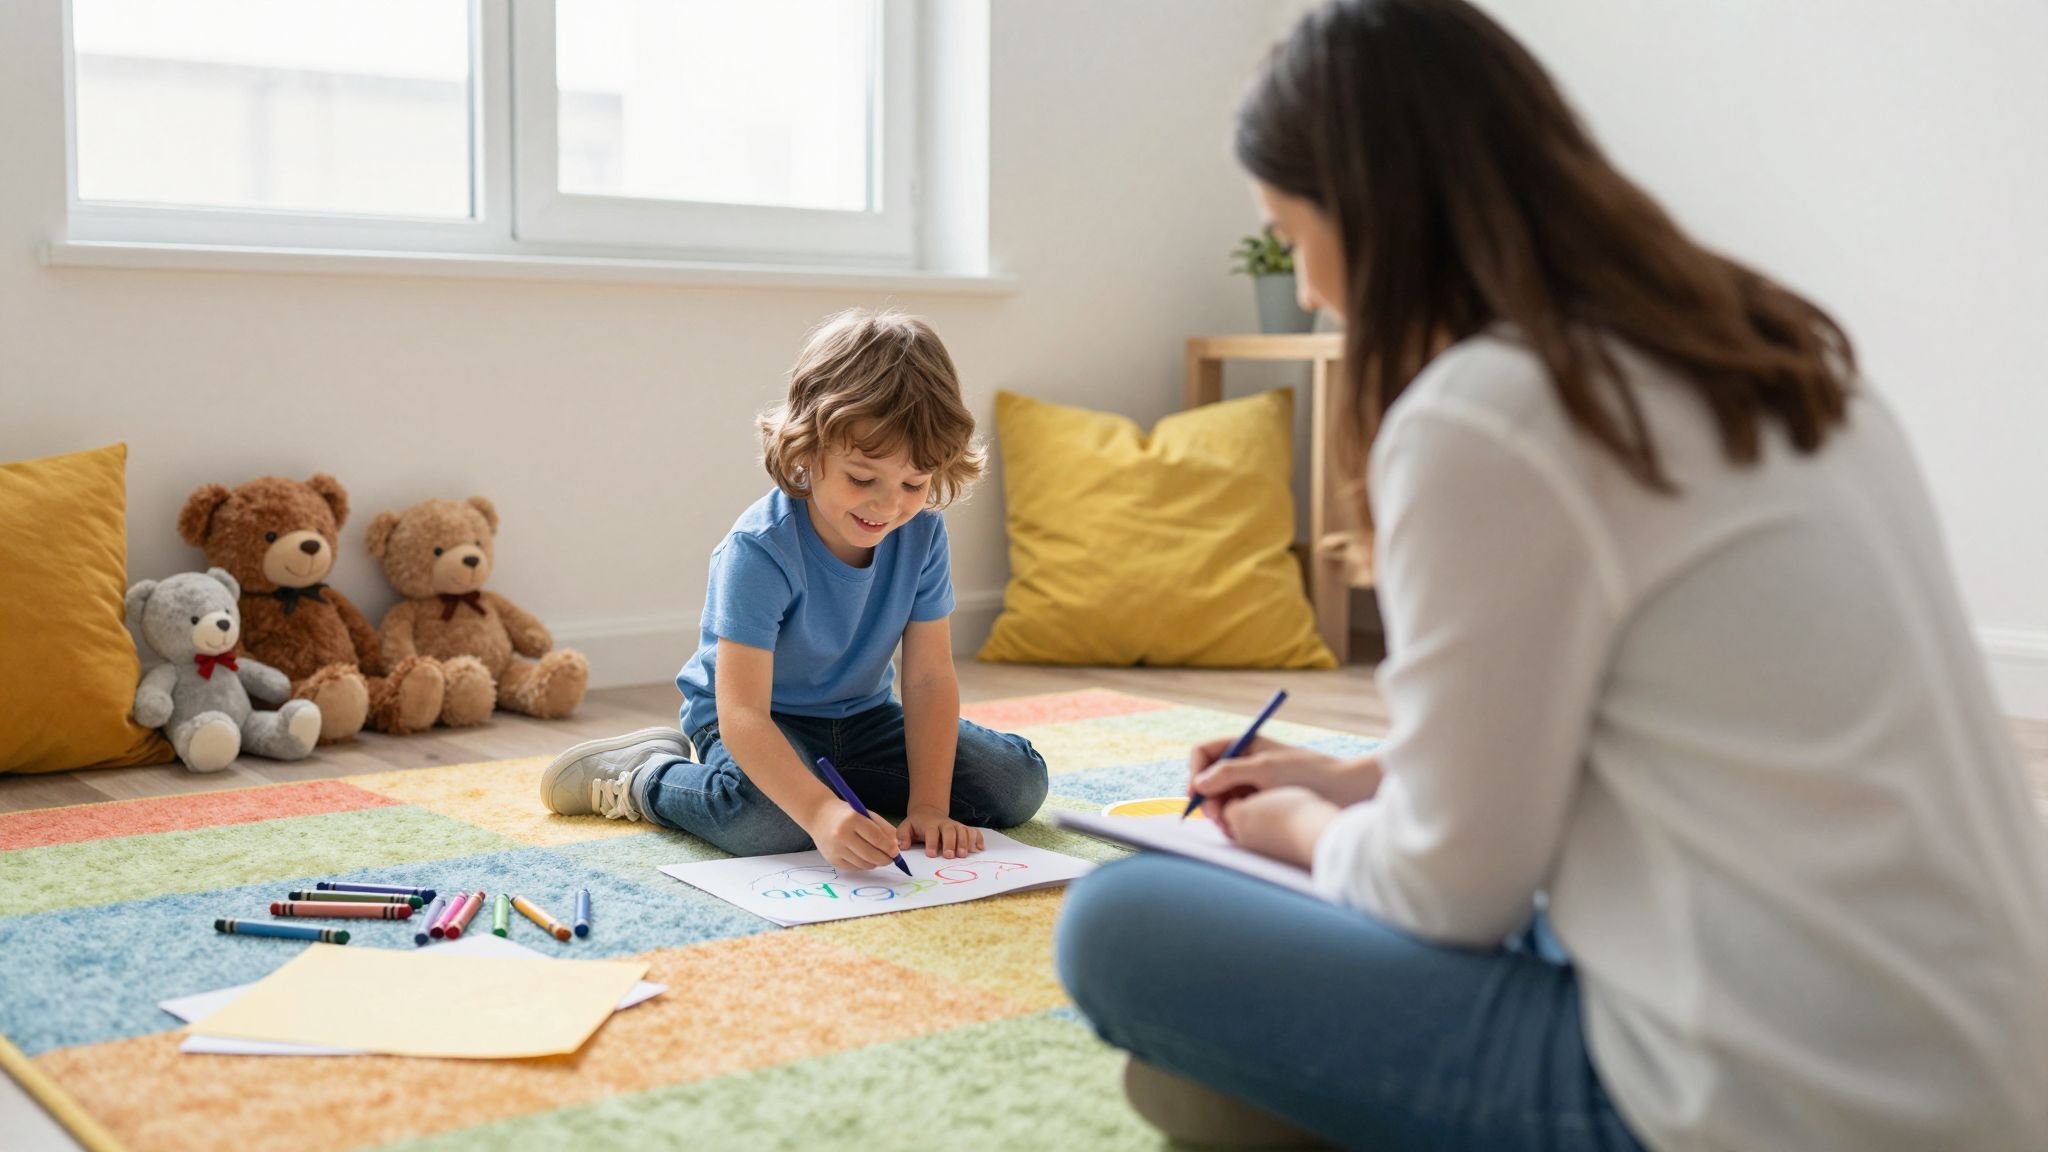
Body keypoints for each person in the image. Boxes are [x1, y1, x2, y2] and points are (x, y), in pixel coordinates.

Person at [1054, 2, 2048, 1149]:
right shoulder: (1781, 364)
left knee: (1118, 923)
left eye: (1292, 234)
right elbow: (1625, 720)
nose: (1313, 292)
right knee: (1185, 1084)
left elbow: (1445, 897)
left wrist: (1289, 826)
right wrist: (1357, 782)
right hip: (1994, 1068)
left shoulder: (1496, 413)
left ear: (1370, 212)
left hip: (1765, 1104)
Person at [541, 308, 1048, 870]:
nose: (889, 505)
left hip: (865, 719)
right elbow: (742, 714)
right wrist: (818, 814)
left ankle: (835, 795)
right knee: (766, 823)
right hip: (759, 722)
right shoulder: (759, 549)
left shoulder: (923, 534)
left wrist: (928, 804)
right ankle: (646, 777)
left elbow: (928, 678)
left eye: (913, 483)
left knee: (1017, 784)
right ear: (808, 448)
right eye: (862, 478)